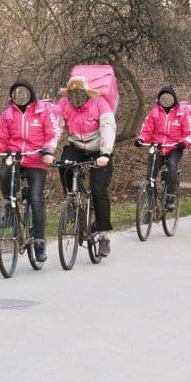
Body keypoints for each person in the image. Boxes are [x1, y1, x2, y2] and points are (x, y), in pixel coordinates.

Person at [0, 80, 58, 263]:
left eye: (24, 93)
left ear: (31, 94)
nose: (21, 97)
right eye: (17, 94)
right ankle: (9, 209)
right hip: (15, 156)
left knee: (36, 199)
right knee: (4, 173)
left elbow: (52, 133)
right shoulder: (8, 114)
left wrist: (48, 150)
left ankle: (40, 243)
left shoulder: (43, 112)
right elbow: (0, 136)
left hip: (36, 159)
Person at [57, 75, 116, 257]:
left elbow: (108, 127)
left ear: (86, 93)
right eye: (73, 93)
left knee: (99, 190)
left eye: (79, 93)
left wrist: (105, 153)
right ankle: (74, 199)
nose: (76, 97)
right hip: (77, 146)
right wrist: (47, 150)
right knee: (64, 166)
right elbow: (55, 127)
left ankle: (104, 235)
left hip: (99, 149)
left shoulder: (100, 104)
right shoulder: (64, 104)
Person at [135, 86, 191, 210]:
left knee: (171, 165)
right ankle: (150, 207)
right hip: (157, 146)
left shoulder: (182, 114)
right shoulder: (154, 113)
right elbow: (147, 130)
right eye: (163, 97)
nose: (166, 100)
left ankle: (170, 197)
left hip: (174, 147)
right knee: (150, 175)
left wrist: (184, 142)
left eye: (169, 97)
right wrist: (141, 139)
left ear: (174, 99)